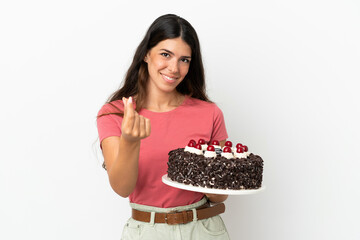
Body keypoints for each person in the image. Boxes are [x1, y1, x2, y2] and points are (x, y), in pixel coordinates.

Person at [97, 14, 230, 240]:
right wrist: (130, 141)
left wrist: (208, 171)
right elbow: (122, 188)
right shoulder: (116, 113)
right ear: (147, 54)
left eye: (184, 60)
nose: (174, 68)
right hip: (147, 231)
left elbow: (219, 197)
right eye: (165, 55)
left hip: (203, 230)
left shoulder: (210, 113)